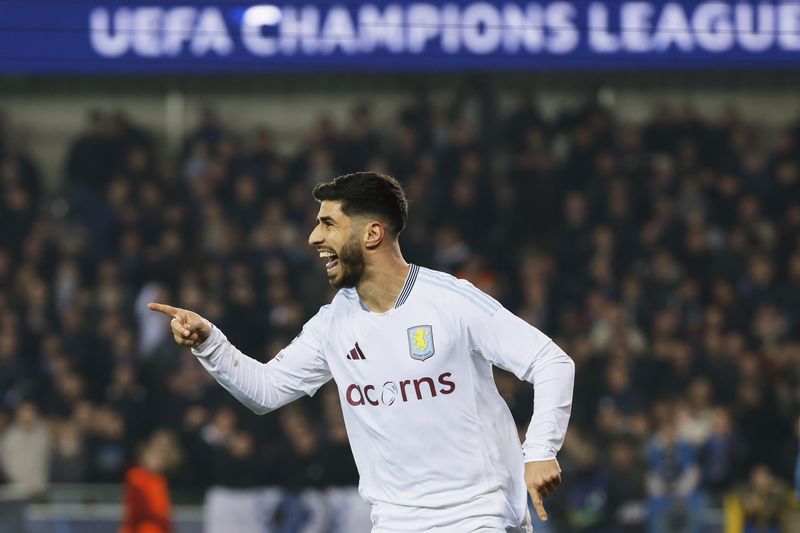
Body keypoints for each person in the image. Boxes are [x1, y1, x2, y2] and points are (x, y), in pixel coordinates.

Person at [149, 172, 575, 532]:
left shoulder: (450, 301)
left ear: (372, 233)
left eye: (328, 223)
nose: (314, 237)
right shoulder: (333, 324)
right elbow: (266, 390)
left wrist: (540, 449)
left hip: (478, 515)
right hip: (393, 521)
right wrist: (209, 342)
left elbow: (551, 360)